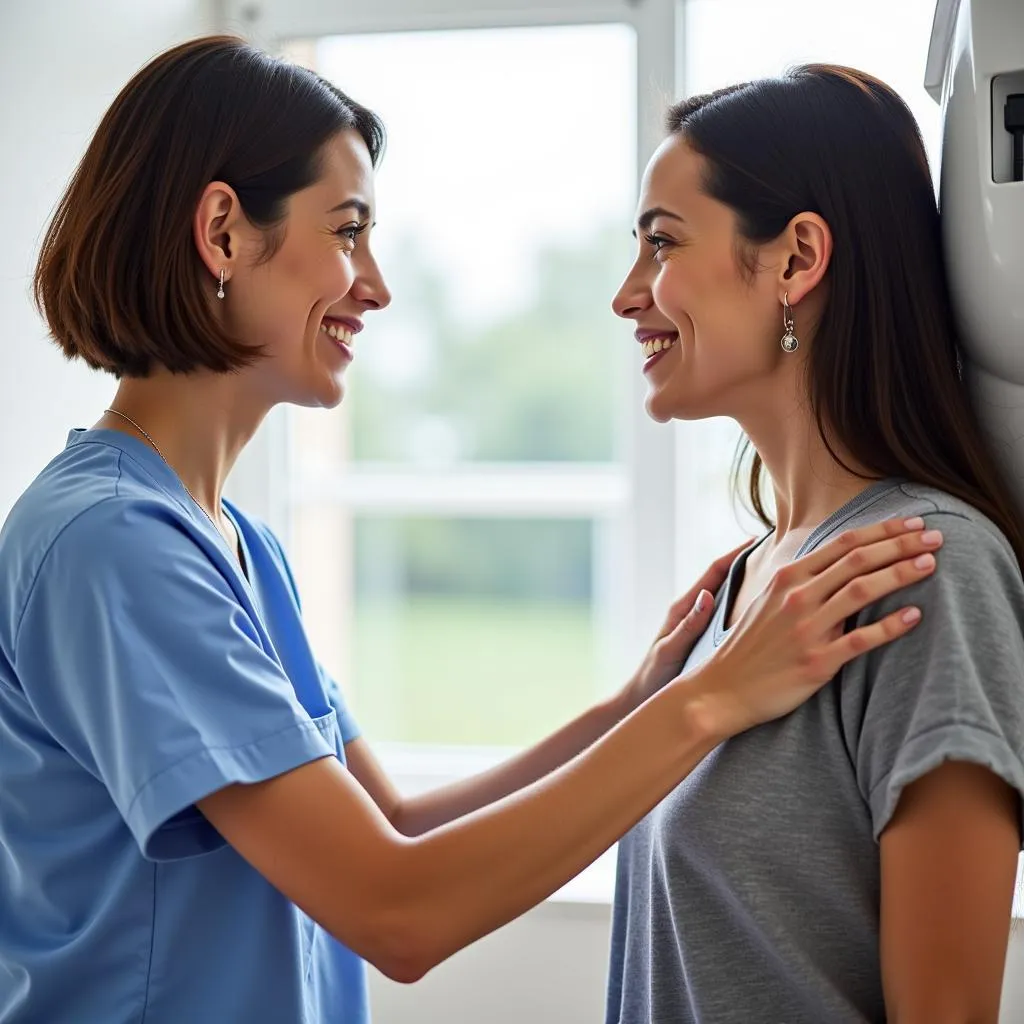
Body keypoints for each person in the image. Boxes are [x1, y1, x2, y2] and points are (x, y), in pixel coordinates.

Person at [0, 38, 941, 1024]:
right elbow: (396, 908)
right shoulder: (111, 547)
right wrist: (708, 702)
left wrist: (633, 703)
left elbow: (394, 824)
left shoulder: (234, 546)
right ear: (223, 231)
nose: (375, 283)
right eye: (349, 230)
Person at [606, 64, 1024, 1024]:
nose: (629, 296)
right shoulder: (753, 578)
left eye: (661, 243)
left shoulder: (926, 570)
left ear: (797, 258)